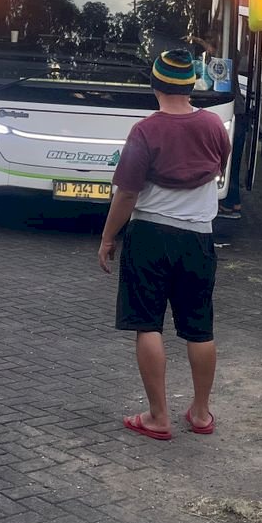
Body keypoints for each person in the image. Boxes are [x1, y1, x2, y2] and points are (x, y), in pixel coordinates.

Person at [97, 49, 230, 441]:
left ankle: (158, 417)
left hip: (151, 236)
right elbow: (217, 169)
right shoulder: (213, 127)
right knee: (200, 328)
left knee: (147, 324)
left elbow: (126, 195)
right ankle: (201, 413)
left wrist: (107, 238)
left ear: (154, 84)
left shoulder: (145, 131)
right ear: (191, 84)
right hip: (199, 238)